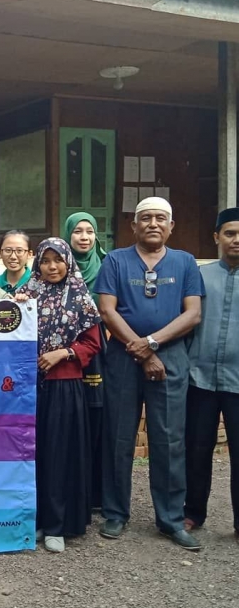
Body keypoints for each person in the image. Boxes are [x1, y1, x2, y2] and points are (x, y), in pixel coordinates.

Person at [95, 197, 204, 550]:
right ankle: (115, 512)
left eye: (161, 218)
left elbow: (193, 315)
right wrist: (141, 351)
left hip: (170, 357)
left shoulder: (186, 262)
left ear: (171, 226)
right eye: (146, 218)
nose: (153, 223)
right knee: (118, 436)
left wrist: (152, 344)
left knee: (169, 439)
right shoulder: (115, 260)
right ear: (134, 226)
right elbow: (108, 311)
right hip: (123, 358)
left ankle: (171, 519)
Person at [24, 239, 102, 553]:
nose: (52, 267)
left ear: (68, 262)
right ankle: (38, 519)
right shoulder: (26, 296)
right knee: (34, 453)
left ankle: (58, 524)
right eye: (46, 261)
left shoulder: (80, 298)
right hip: (29, 387)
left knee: (59, 454)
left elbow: (93, 343)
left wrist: (63, 353)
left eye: (58, 260)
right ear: (37, 264)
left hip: (64, 385)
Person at [184, 207, 239, 536]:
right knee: (197, 448)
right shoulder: (200, 277)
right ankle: (193, 512)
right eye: (230, 233)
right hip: (200, 377)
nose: (236, 240)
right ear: (216, 237)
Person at [63, 212, 107, 510]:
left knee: (98, 416)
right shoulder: (58, 268)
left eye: (89, 231)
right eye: (77, 231)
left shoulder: (107, 268)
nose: (84, 237)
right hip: (64, 359)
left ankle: (97, 494)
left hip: (100, 353)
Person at [0, 230, 33, 295]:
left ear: (29, 254)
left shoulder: (38, 283)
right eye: (8, 250)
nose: (13, 257)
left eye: (19, 250)